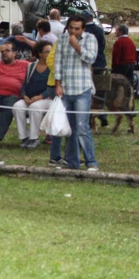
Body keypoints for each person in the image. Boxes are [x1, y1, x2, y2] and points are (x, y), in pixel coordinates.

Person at [54, 15, 99, 171]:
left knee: (82, 126)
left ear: (83, 29)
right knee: (69, 129)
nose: (73, 31)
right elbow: (57, 62)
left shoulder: (90, 39)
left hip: (82, 89)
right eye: (71, 27)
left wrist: (76, 46)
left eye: (77, 28)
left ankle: (91, 162)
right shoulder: (62, 39)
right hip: (66, 89)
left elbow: (91, 58)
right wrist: (58, 84)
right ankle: (72, 162)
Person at [12, 41, 52, 148]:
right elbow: (25, 83)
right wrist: (24, 96)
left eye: (51, 51)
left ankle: (34, 138)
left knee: (35, 107)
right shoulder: (31, 66)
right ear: (39, 53)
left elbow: (52, 88)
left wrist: (40, 97)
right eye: (47, 52)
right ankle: (25, 136)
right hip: (30, 97)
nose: (50, 54)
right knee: (17, 107)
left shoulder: (53, 67)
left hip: (47, 98)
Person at [81, 9, 108, 127]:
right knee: (99, 89)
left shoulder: (84, 31)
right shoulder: (99, 30)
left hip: (88, 63)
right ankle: (102, 115)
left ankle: (89, 114)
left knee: (88, 89)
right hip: (100, 63)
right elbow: (103, 45)